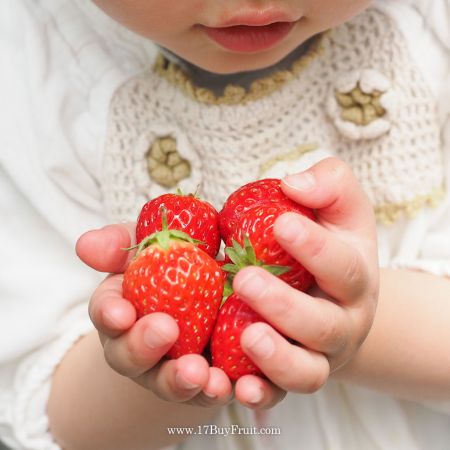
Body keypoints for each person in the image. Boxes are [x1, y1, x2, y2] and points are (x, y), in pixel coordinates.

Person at [0, 0, 449, 449]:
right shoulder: (32, 70)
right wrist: (159, 360)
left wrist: (333, 323)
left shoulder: (430, 28)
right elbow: (66, 424)